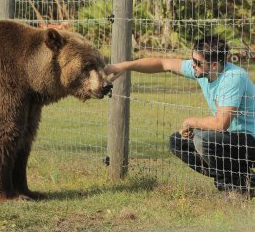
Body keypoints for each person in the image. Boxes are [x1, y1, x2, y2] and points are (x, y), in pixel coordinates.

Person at [104, 36, 255, 194]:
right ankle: (245, 178)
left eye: (197, 63)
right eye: (192, 59)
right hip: (231, 139)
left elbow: (221, 124)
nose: (193, 65)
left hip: (250, 139)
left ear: (215, 65)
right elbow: (164, 64)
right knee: (178, 142)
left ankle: (234, 188)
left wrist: (191, 122)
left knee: (203, 139)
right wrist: (126, 66)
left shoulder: (233, 78)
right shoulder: (204, 70)